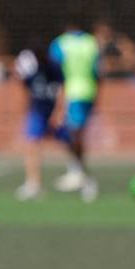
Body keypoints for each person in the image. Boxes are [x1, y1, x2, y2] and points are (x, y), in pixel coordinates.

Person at [50, 18, 101, 201]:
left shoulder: (60, 43)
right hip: (89, 91)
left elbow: (54, 70)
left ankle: (80, 174)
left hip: (71, 93)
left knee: (70, 133)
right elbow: (97, 71)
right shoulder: (91, 42)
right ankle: (77, 171)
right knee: (74, 133)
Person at [13, 43, 70, 201]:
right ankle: (33, 183)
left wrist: (59, 112)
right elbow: (24, 87)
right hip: (37, 112)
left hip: (52, 112)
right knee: (31, 144)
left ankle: (79, 174)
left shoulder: (54, 68)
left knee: (68, 143)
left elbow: (63, 88)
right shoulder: (32, 69)